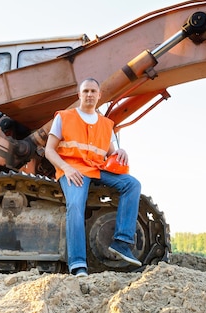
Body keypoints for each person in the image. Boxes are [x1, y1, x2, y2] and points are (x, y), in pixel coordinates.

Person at [44, 78, 142, 277]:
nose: (89, 94)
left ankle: (122, 243)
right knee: (75, 205)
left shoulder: (106, 125)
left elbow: (111, 153)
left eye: (93, 91)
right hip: (73, 170)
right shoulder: (64, 117)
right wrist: (66, 168)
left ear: (99, 96)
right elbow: (49, 150)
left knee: (132, 184)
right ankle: (78, 264)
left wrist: (120, 151)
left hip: (96, 169)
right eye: (85, 91)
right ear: (79, 95)